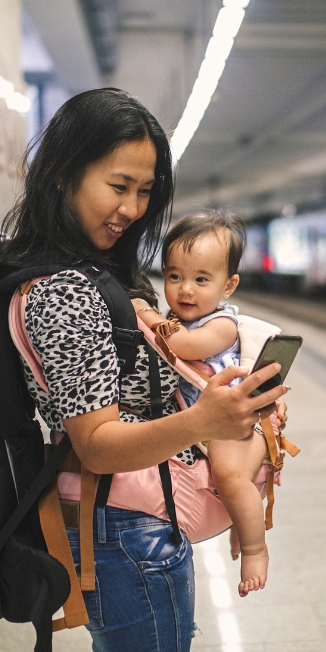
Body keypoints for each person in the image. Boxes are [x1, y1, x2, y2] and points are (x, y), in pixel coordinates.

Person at [0, 88, 285, 652]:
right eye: (118, 185)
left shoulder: (99, 273)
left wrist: (233, 411)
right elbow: (97, 444)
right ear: (64, 174)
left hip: (132, 521)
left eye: (145, 191)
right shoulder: (64, 291)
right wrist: (207, 417)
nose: (132, 208)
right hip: (120, 528)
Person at [133, 211, 272, 597]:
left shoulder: (222, 325)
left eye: (201, 279)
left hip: (238, 423)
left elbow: (182, 347)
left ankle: (255, 549)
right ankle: (240, 527)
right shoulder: (176, 318)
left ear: (229, 286)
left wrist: (142, 313)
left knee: (229, 476)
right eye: (174, 276)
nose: (185, 290)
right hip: (214, 423)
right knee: (220, 482)